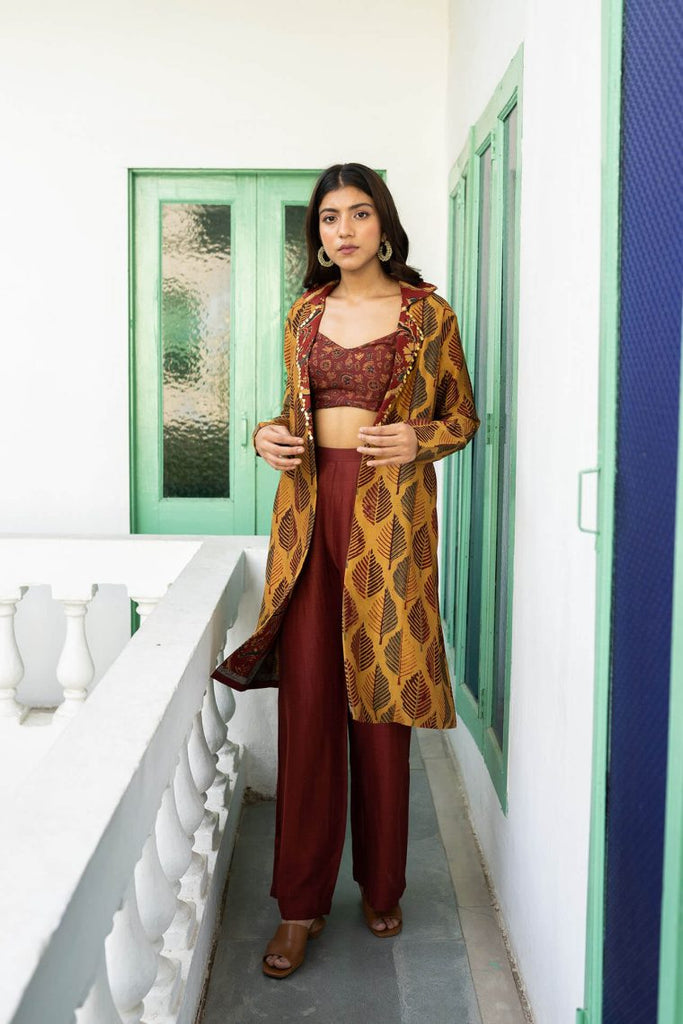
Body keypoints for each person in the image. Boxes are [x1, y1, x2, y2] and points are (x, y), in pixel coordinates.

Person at [211, 162, 480, 979]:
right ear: (318, 236)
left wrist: (420, 438)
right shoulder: (304, 315)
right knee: (309, 708)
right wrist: (264, 435)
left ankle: (381, 883)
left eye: (359, 214)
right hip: (306, 520)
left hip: (388, 525)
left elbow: (463, 416)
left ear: (383, 224)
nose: (344, 230)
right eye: (329, 218)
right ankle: (298, 905)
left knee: (380, 702)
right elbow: (291, 415)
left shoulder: (427, 314)